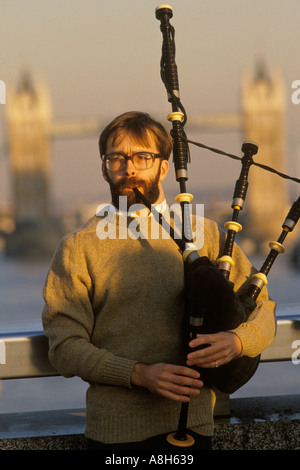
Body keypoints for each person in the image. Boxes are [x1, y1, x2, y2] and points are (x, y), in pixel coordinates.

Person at [42, 111, 276, 451]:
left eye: (142, 157)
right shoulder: (78, 246)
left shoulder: (204, 232)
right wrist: (138, 374)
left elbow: (263, 308)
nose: (129, 168)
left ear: (163, 167)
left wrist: (238, 341)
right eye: (116, 158)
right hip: (115, 437)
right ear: (104, 167)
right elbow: (64, 348)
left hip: (195, 428)